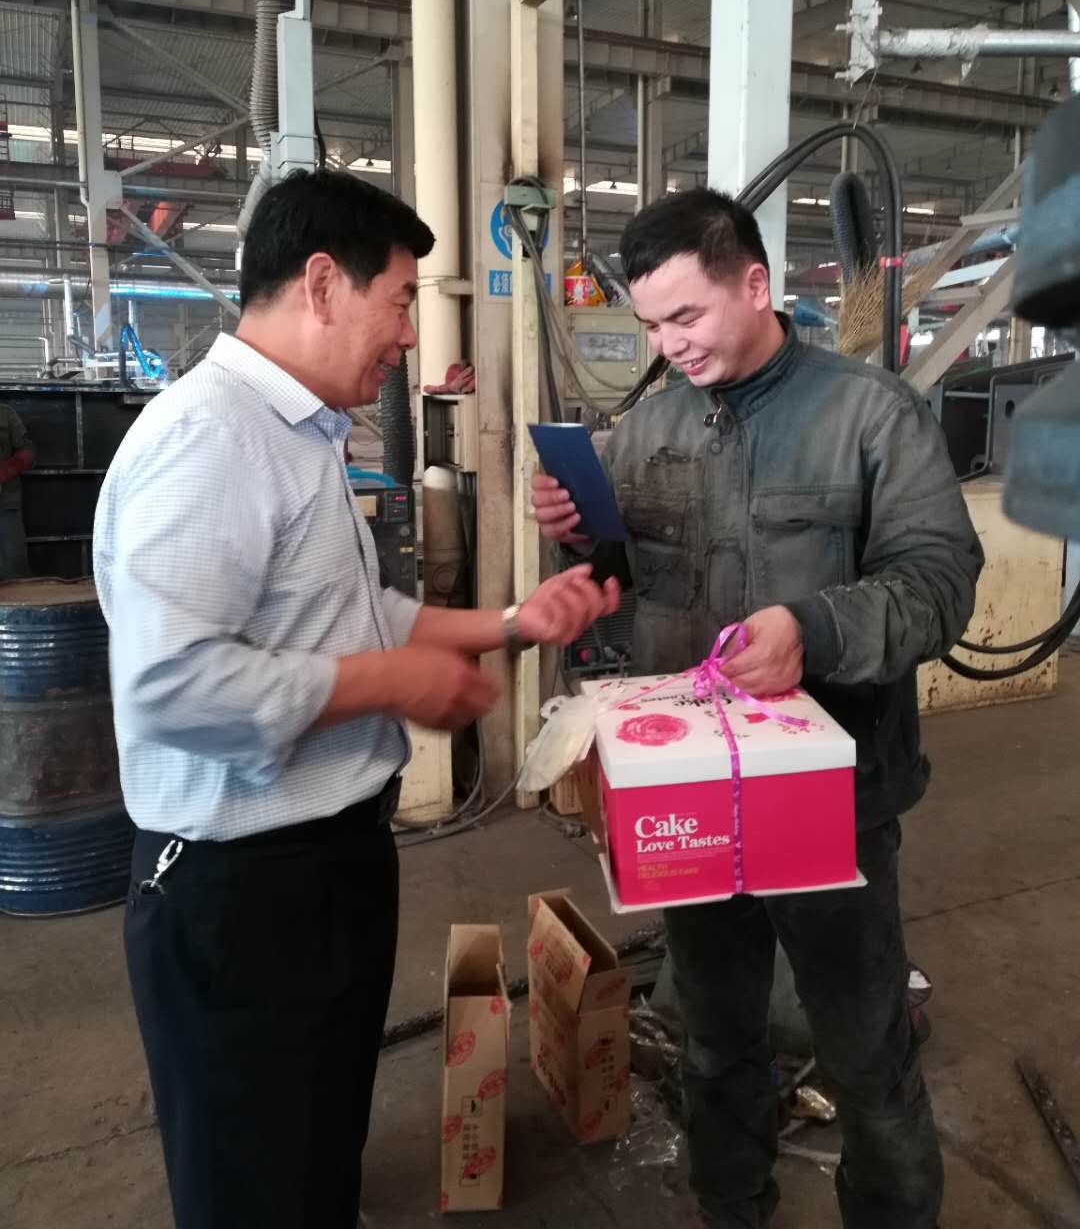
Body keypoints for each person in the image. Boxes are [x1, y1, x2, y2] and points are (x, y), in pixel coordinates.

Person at [93, 168, 619, 1229]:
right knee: (256, 1181)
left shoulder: (297, 434)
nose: (410, 336)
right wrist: (389, 684)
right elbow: (166, 682)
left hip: (322, 867)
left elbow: (352, 615)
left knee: (312, 1144)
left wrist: (513, 623)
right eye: (401, 301)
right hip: (245, 895)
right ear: (323, 283)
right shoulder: (211, 439)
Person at [531, 188, 983, 1229]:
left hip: (832, 802)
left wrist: (812, 630)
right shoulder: (648, 427)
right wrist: (581, 539)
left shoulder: (871, 416)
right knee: (714, 1041)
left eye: (687, 316)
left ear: (754, 283)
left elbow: (939, 585)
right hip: (692, 797)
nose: (669, 344)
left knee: (866, 1054)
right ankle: (731, 1208)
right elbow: (619, 581)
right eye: (653, 324)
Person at [0, 401, 33, 579]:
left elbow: (27, 453)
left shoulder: (5, 413)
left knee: (14, 572)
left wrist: (4, 472)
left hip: (5, 504)